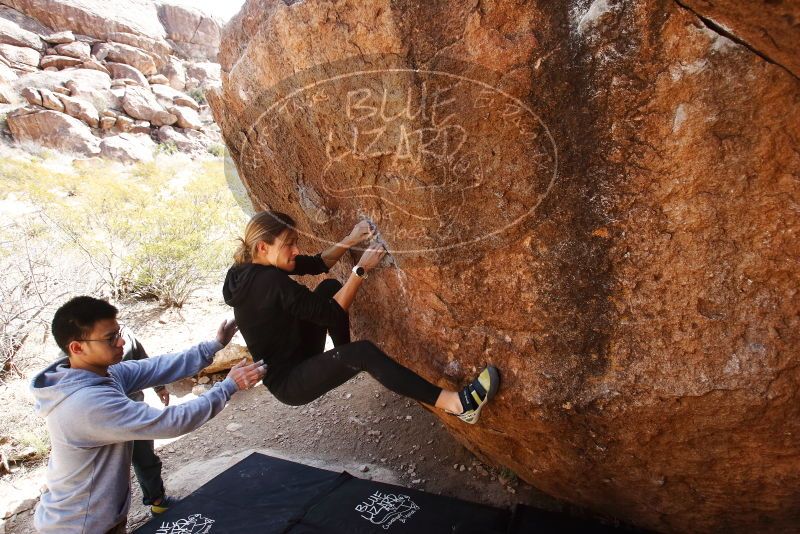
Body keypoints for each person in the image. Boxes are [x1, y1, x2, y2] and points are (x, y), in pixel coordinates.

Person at [223, 211, 499, 424]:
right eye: (289, 244)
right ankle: (459, 406)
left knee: (330, 287)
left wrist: (351, 239)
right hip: (290, 381)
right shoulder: (270, 281)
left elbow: (318, 264)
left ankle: (344, 359)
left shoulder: (241, 271)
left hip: (295, 350)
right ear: (262, 247)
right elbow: (331, 313)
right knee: (362, 352)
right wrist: (361, 270)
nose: (295, 250)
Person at [30, 296, 267, 534]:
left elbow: (156, 367)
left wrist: (213, 346)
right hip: (80, 526)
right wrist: (228, 386)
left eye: (118, 332)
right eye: (110, 338)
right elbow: (171, 422)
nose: (121, 341)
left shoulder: (97, 375)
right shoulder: (87, 404)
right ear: (77, 347)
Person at [119, 330, 174, 514]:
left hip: (134, 410)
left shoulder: (125, 334)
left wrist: (159, 387)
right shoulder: (77, 345)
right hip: (102, 416)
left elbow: (144, 363)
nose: (118, 342)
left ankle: (158, 502)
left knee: (145, 458)